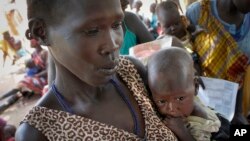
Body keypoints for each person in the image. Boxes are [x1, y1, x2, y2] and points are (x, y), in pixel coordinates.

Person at [15, 0, 179, 140]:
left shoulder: (133, 72)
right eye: (92, 31)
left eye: (116, 25)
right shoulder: (39, 133)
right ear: (41, 32)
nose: (113, 44)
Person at [186, 0, 250, 125]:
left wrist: (238, 114)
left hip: (240, 104)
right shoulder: (198, 13)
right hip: (204, 105)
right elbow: (183, 50)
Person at [147, 47, 228, 141]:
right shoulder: (185, 93)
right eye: (162, 101)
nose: (172, 109)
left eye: (180, 99)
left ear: (196, 87)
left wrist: (182, 132)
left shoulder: (199, 121)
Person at [0, 39, 48, 113]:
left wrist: (36, 75)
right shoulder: (34, 54)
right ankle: (4, 105)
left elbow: (48, 70)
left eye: (32, 40)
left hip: (43, 79)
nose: (30, 42)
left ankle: (3, 98)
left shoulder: (45, 53)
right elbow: (32, 67)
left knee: (22, 84)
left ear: (38, 41)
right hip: (35, 76)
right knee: (21, 90)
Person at [156, 0, 203, 75]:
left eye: (176, 23)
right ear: (160, 26)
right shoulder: (163, 40)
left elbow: (194, 31)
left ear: (181, 19)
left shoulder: (186, 28)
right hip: (179, 67)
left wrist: (195, 33)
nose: (173, 28)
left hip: (194, 58)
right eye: (167, 26)